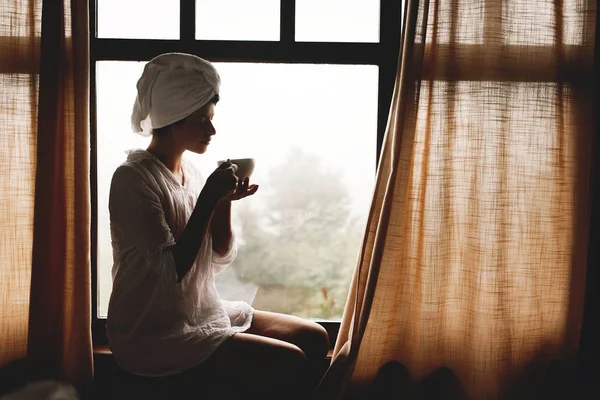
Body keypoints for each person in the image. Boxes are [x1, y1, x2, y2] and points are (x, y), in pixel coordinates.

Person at [106, 53, 329, 399]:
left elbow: (217, 257)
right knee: (292, 362)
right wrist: (209, 198)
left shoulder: (192, 174)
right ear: (174, 118)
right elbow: (172, 271)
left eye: (211, 119)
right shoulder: (133, 179)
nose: (212, 130)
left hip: (198, 309)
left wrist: (222, 202)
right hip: (152, 330)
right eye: (202, 120)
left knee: (315, 337)